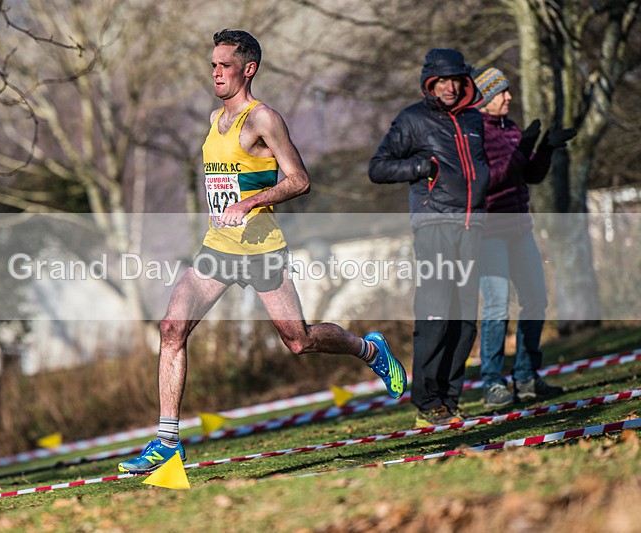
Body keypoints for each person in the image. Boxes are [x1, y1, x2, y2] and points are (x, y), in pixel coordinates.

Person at [118, 29, 407, 474]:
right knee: (172, 328)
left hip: (261, 250)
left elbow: (299, 180)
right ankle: (167, 442)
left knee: (299, 340)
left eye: (224, 65)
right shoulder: (215, 120)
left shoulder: (263, 119)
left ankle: (369, 350)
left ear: (247, 68)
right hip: (217, 249)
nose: (215, 72)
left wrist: (250, 202)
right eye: (212, 65)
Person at [368, 48, 490, 428]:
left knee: (465, 320)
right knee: (437, 315)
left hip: (472, 226)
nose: (450, 87)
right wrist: (421, 166)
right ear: (429, 84)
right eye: (442, 80)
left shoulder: (473, 120)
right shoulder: (413, 119)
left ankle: (449, 402)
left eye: (456, 79)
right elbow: (378, 167)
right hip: (434, 224)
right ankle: (426, 402)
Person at [471, 66, 573, 409]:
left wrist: (544, 149)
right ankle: (493, 384)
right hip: (489, 233)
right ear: (485, 99)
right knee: (498, 307)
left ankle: (528, 377)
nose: (509, 97)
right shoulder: (475, 134)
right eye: (502, 92)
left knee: (536, 300)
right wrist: (522, 150)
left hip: (519, 229)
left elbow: (529, 175)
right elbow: (490, 180)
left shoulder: (511, 129)